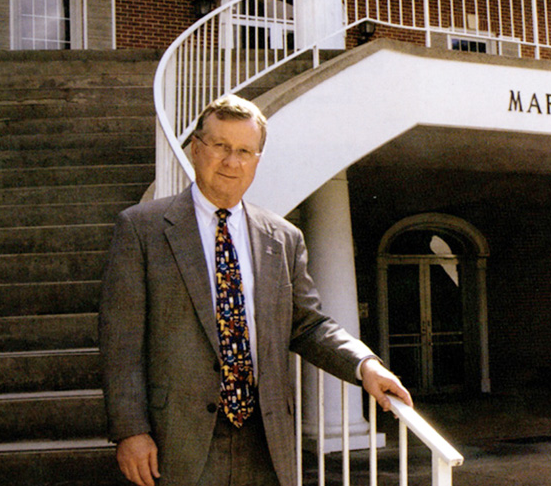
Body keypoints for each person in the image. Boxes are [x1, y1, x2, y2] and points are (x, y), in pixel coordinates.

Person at [99, 94, 413, 486]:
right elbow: (121, 343)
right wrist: (131, 430)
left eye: (245, 151)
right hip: (176, 440)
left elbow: (309, 325)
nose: (232, 161)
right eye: (220, 147)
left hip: (265, 438)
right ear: (196, 149)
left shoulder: (283, 238)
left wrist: (364, 365)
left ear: (257, 161)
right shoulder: (141, 229)